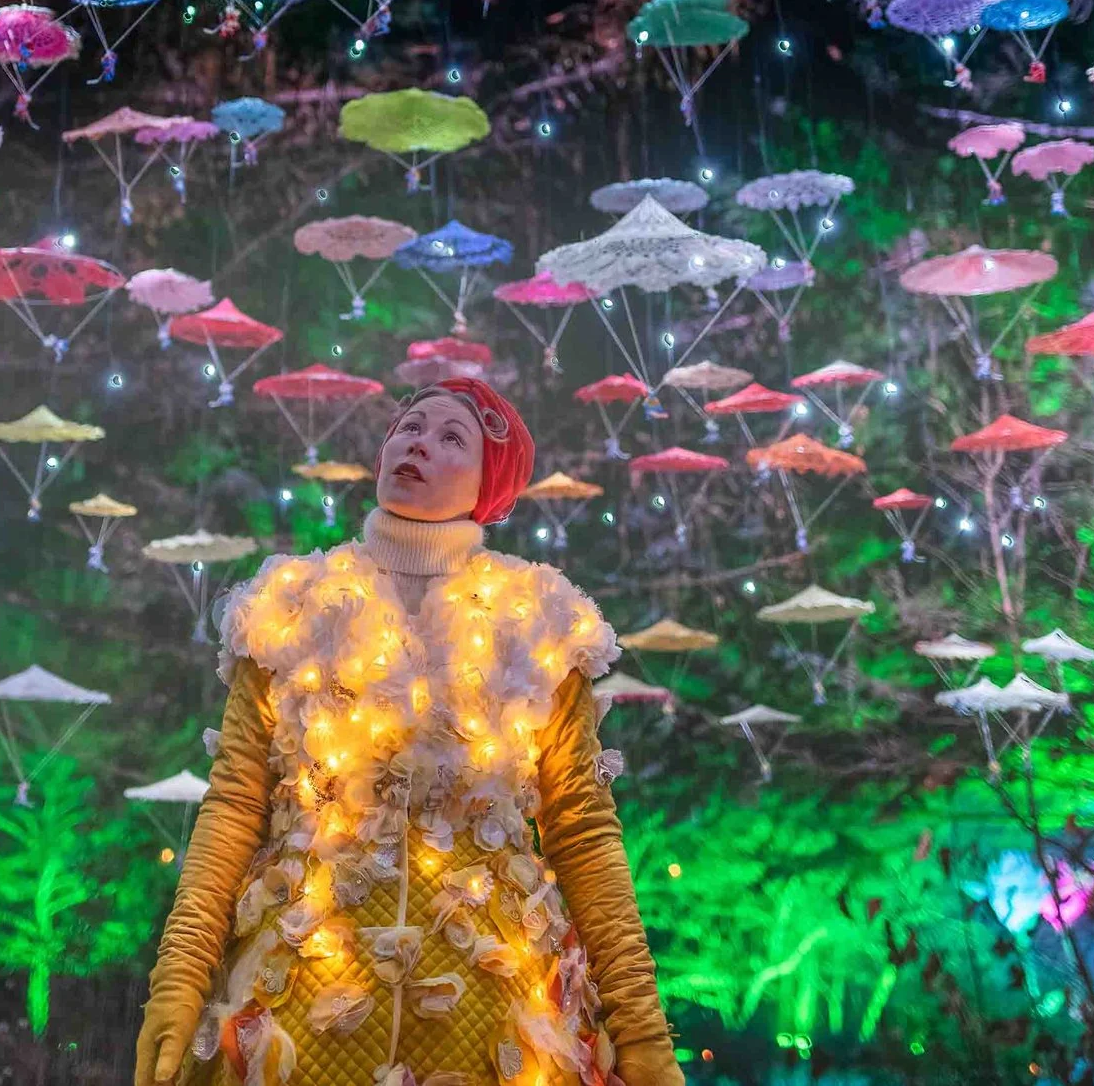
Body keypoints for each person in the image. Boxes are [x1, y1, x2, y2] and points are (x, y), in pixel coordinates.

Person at [132, 378, 682, 1086]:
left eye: (453, 436)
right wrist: (177, 978)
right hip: (294, 1002)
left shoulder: (538, 620)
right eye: (410, 426)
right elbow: (234, 802)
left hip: (494, 1016)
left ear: (491, 483)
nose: (419, 440)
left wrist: (641, 1028)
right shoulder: (293, 608)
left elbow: (582, 828)